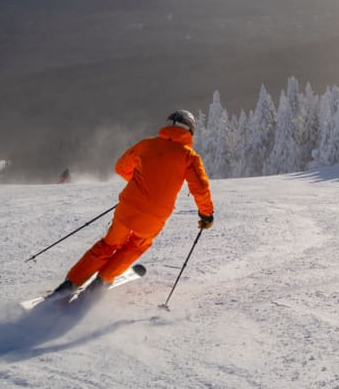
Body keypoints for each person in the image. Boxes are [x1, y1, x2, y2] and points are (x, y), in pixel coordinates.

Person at [48, 110, 214, 298]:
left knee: (108, 244)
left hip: (129, 207)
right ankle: (102, 281)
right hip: (155, 216)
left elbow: (121, 167)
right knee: (136, 246)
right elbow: (200, 188)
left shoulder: (146, 145)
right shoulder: (189, 157)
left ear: (168, 125)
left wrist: (139, 183)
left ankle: (71, 283)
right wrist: (206, 215)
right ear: (190, 131)